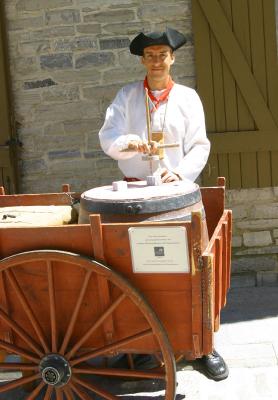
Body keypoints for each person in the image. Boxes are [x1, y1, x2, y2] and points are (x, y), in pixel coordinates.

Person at [99, 27, 228, 381]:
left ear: (172, 59)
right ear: (142, 60)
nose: (156, 61)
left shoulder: (188, 98)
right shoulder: (126, 96)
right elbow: (108, 137)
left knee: (194, 269)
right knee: (135, 271)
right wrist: (129, 142)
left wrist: (182, 173)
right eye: (150, 55)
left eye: (162, 55)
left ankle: (203, 347)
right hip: (135, 195)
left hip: (178, 193)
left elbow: (200, 145)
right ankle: (141, 347)